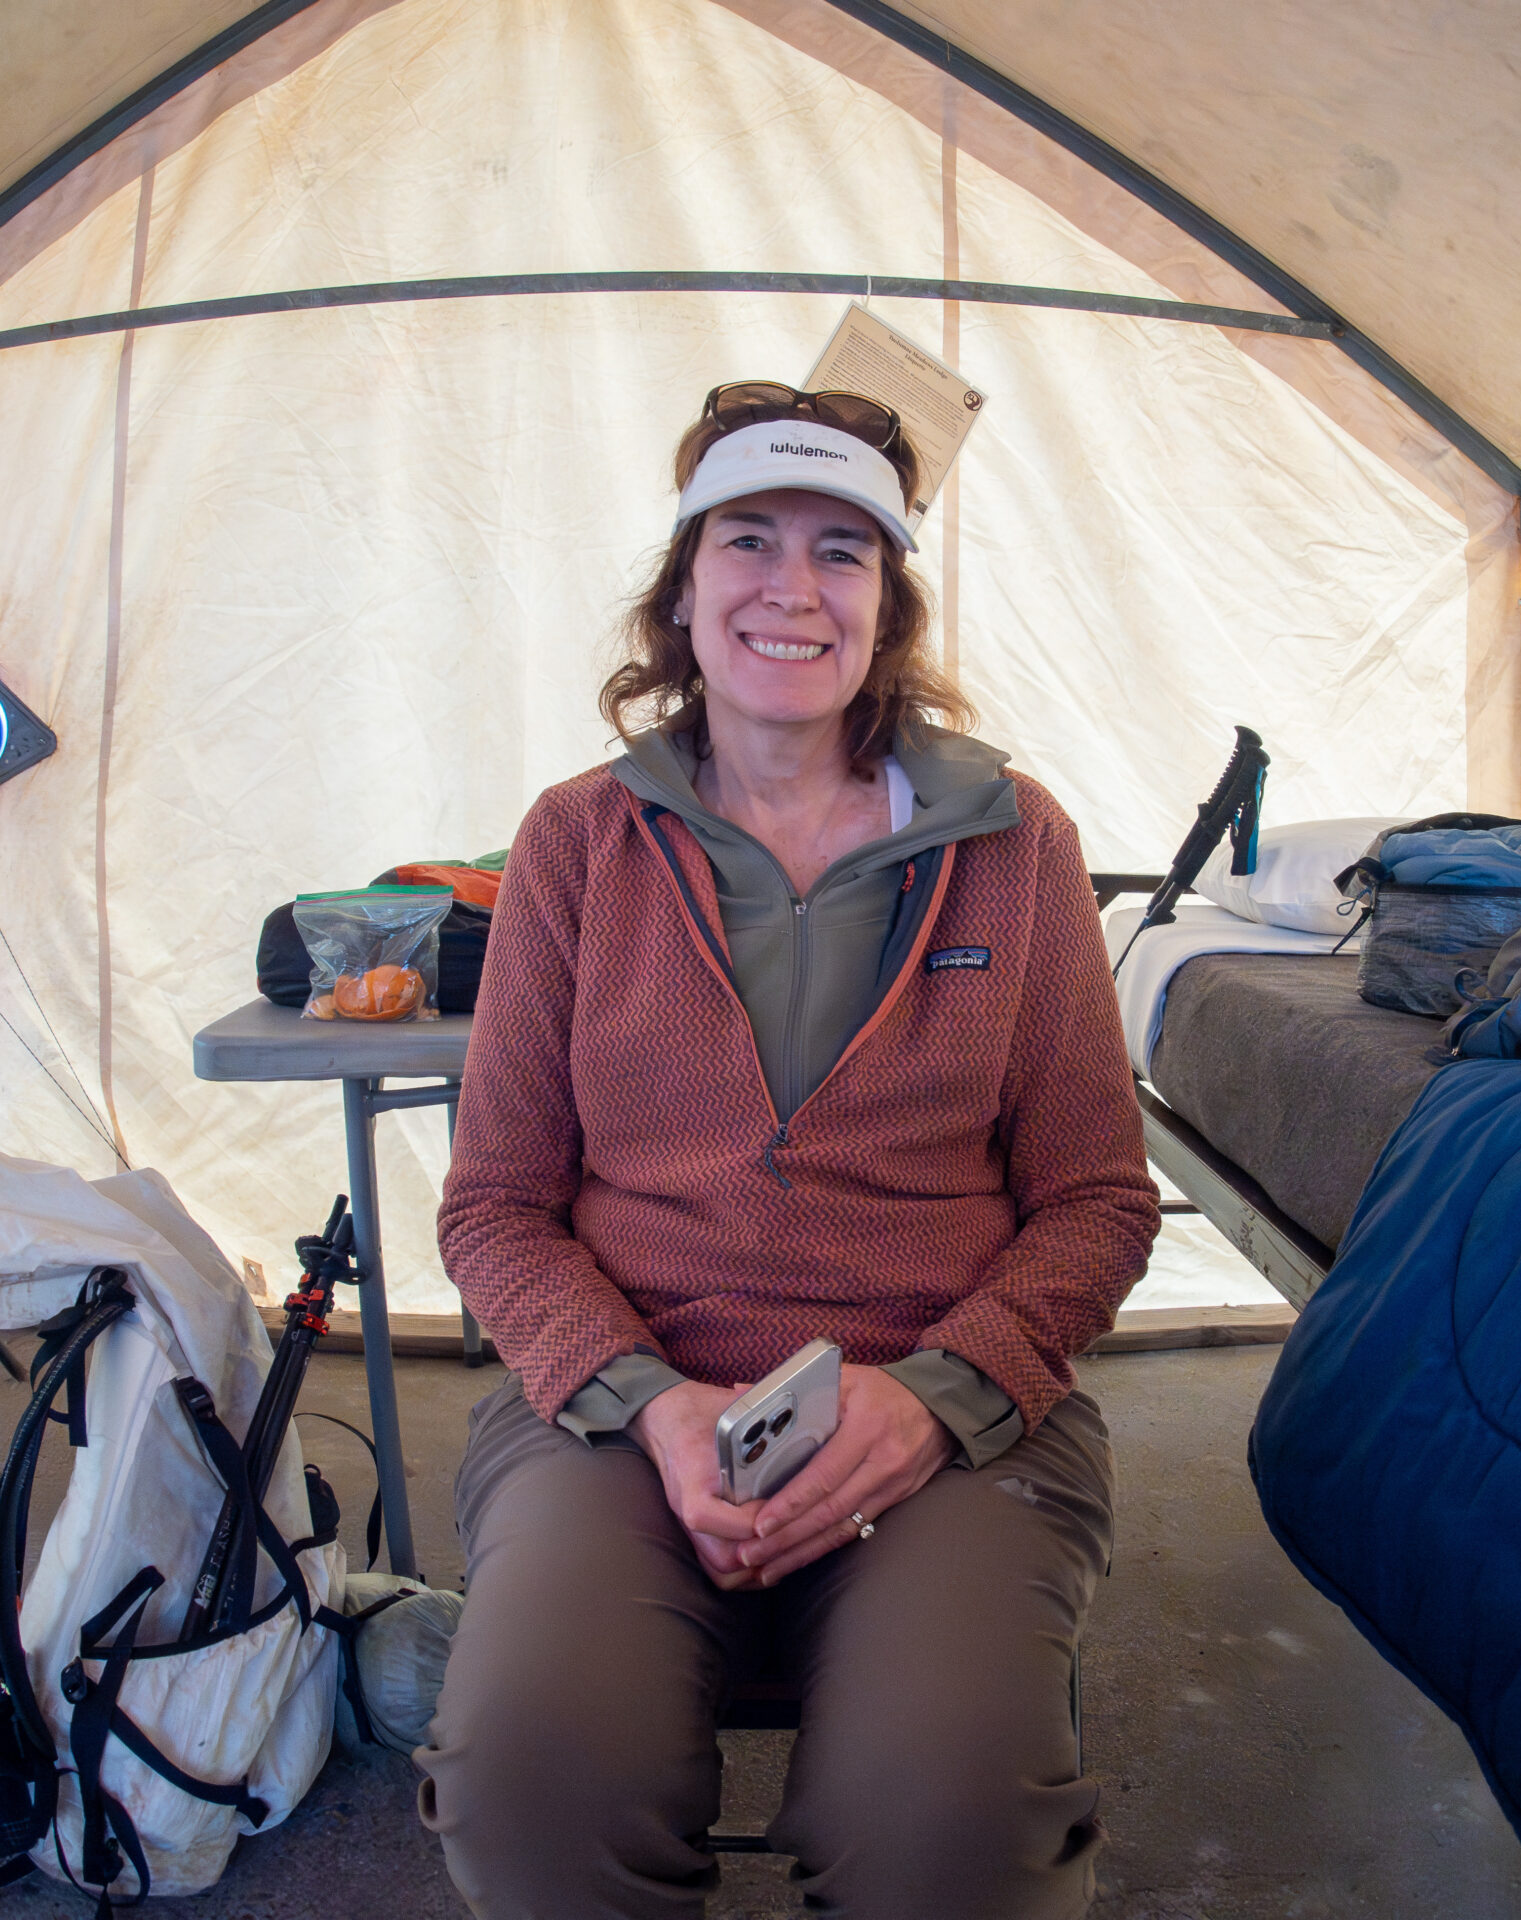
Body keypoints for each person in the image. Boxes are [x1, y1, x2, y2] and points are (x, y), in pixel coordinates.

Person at [421, 380, 1162, 1918]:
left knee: (947, 1815)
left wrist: (937, 1397)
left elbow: (1095, 1201)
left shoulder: (1014, 841)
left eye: (843, 553)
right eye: (747, 541)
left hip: (944, 1424)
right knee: (530, 1773)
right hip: (625, 1419)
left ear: (887, 609)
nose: (790, 587)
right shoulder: (577, 840)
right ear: (682, 594)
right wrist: (650, 1407)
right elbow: (496, 1206)